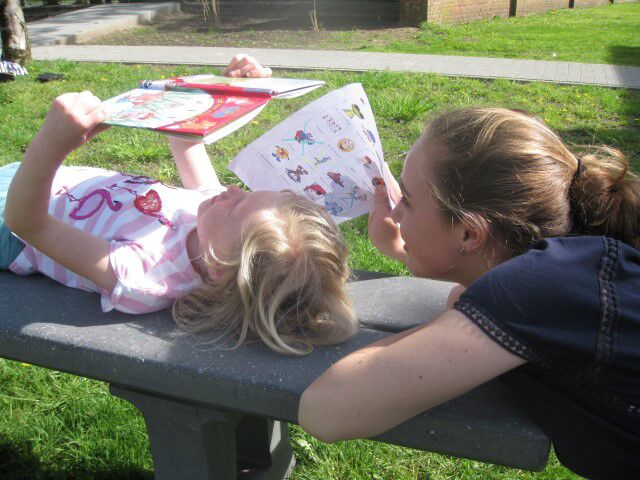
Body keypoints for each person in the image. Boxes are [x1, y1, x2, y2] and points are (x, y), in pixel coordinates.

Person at [298, 107, 640, 478]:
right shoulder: (573, 268)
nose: (395, 213)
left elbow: (326, 409)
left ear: (470, 233)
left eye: (407, 201)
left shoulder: (537, 289)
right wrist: (404, 249)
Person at [1, 55, 356, 356]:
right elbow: (185, 139)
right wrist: (229, 89)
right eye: (247, 193)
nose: (232, 190)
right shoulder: (210, 220)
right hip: (33, 180)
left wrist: (52, 142)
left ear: (218, 268)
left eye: (238, 206)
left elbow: (28, 224)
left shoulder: (147, 275)